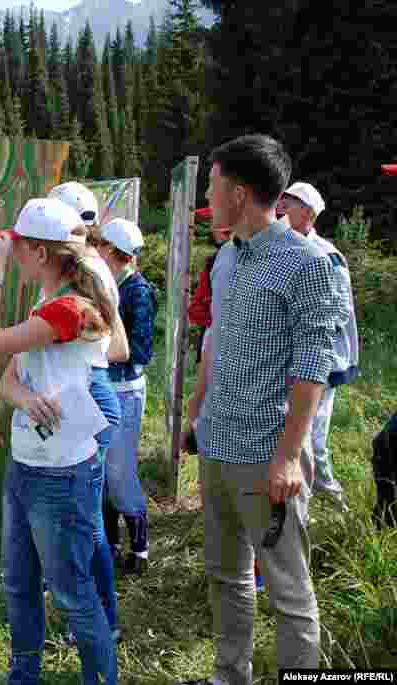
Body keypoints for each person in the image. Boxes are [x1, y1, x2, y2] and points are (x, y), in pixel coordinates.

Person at [181, 135, 343, 685]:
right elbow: (216, 343)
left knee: (289, 589)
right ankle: (231, 676)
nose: (208, 193)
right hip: (218, 445)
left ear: (240, 193)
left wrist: (289, 457)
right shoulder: (227, 258)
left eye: (212, 183)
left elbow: (314, 367)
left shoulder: (308, 262)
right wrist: (195, 415)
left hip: (268, 457)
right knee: (225, 576)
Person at [0, 197, 117, 685]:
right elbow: (7, 380)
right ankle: (24, 677)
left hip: (61, 475)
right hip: (26, 465)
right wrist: (24, 398)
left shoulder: (69, 309)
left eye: (16, 248)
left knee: (74, 594)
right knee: (18, 585)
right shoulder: (46, 304)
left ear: (39, 253)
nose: (10, 255)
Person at [47, 181, 124, 635]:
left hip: (88, 395)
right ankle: (89, 611)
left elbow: (117, 347)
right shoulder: (86, 266)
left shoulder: (89, 272)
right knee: (78, 516)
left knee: (86, 521)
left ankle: (101, 621)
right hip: (86, 393)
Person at [277, 182, 359, 514]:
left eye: (291, 203)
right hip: (293, 359)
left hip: (324, 361)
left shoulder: (327, 255)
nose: (282, 207)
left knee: (313, 437)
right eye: (282, 200)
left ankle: (331, 505)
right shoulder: (284, 248)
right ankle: (301, 501)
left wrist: (299, 330)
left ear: (309, 213)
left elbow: (338, 311)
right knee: (296, 432)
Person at [97, 219, 157, 574]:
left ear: (113, 252)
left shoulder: (137, 290)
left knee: (119, 472)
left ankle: (141, 548)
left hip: (125, 391)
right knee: (103, 471)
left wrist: (97, 346)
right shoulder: (106, 284)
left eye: (101, 246)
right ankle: (112, 543)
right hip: (105, 386)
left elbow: (142, 350)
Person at [188, 212, 233, 364]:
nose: (211, 227)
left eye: (214, 221)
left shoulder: (217, 259)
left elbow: (197, 310)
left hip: (216, 336)